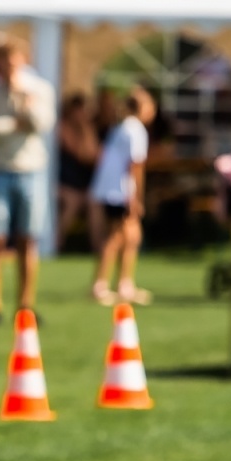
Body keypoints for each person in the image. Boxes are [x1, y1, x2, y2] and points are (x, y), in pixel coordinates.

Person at [0, 35, 56, 322]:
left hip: (31, 170)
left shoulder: (40, 89)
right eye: (2, 62)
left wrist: (25, 105)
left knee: (27, 238)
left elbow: (41, 124)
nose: (7, 67)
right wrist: (15, 125)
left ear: (22, 61)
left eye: (12, 61)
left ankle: (25, 303)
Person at [88, 86, 153, 307]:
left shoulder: (122, 127)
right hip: (120, 191)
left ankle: (125, 284)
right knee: (116, 237)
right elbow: (135, 167)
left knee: (131, 236)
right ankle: (100, 285)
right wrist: (135, 197)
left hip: (110, 189)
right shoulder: (136, 130)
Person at [55, 92, 100, 252]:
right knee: (72, 201)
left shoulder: (87, 129)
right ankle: (55, 243)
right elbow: (83, 155)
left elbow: (95, 156)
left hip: (80, 185)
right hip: (61, 184)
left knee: (94, 202)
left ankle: (98, 248)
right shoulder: (62, 127)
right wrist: (85, 129)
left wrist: (86, 128)